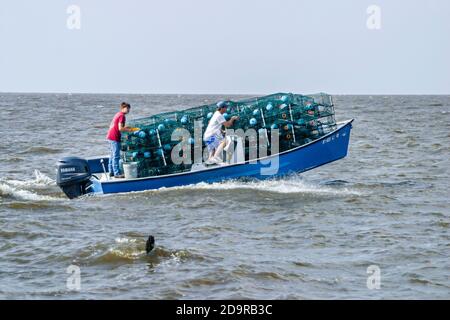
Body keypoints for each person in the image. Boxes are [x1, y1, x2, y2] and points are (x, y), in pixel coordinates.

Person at [106, 102, 133, 178]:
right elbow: (120, 128)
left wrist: (126, 127)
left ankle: (111, 171)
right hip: (114, 137)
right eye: (127, 108)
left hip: (110, 136)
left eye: (129, 108)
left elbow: (118, 126)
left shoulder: (118, 114)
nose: (128, 110)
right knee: (116, 156)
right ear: (122, 108)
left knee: (112, 155)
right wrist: (128, 130)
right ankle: (117, 173)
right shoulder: (122, 116)